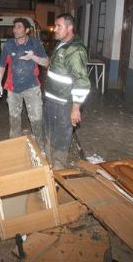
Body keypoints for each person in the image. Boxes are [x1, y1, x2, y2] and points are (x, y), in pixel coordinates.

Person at [43, 13, 90, 169]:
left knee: (60, 140)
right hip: (51, 101)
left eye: (59, 26)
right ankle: (48, 168)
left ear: (70, 27)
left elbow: (81, 80)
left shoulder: (75, 50)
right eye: (55, 26)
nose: (55, 29)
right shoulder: (61, 43)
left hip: (63, 104)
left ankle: (57, 172)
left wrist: (75, 108)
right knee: (49, 135)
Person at [0, 18, 49, 146]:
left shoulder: (34, 43)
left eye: (19, 27)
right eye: (14, 27)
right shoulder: (9, 44)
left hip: (32, 87)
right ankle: (15, 146)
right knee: (14, 120)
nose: (15, 29)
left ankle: (39, 146)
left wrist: (33, 57)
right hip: (13, 89)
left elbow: (46, 62)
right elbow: (2, 65)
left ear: (26, 30)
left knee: (36, 119)